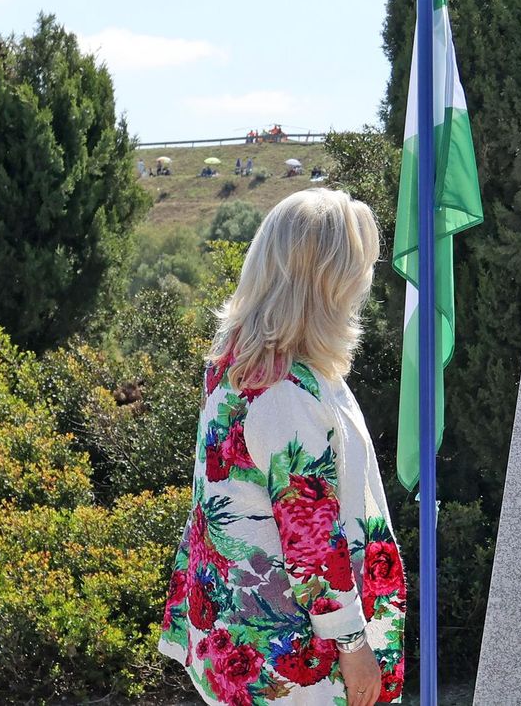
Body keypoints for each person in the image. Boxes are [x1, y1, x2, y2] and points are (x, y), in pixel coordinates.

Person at [158, 188, 402, 706]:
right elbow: (311, 543)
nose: (363, 287)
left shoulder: (237, 368)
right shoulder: (287, 394)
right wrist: (354, 645)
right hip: (293, 661)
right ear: (325, 283)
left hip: (238, 639)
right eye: (355, 273)